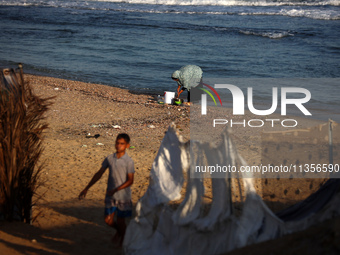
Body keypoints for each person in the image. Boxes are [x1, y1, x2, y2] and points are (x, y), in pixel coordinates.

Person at [79, 133, 135, 247]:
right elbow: (99, 173)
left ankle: (123, 238)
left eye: (122, 144)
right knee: (108, 220)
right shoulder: (109, 158)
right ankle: (120, 232)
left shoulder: (129, 161)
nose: (118, 145)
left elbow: (130, 180)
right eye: (117, 143)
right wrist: (86, 188)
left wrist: (117, 189)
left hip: (123, 196)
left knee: (120, 221)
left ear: (127, 146)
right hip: (111, 194)